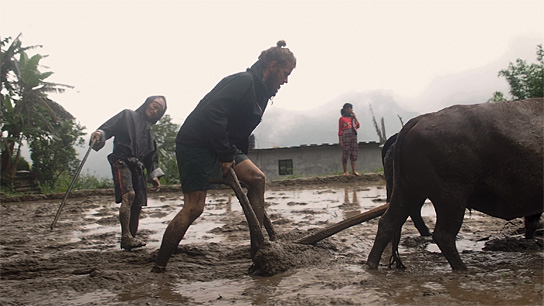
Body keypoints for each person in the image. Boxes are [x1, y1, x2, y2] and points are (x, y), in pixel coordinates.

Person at [152, 40, 296, 273]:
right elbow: (214, 114)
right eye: (285, 74)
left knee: (257, 179)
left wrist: (235, 160)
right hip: (196, 144)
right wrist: (225, 154)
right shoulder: (243, 81)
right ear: (272, 65)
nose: (286, 80)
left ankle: (258, 253)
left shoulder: (262, 92)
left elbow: (241, 131)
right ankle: (159, 266)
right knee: (194, 207)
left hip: (221, 142)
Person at [90, 95, 167, 250]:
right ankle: (125, 235)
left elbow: (151, 157)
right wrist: (99, 133)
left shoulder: (150, 133)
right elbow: (108, 128)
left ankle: (130, 238)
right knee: (129, 195)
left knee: (138, 203)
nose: (155, 109)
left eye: (159, 109)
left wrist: (154, 176)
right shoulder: (127, 115)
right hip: (122, 160)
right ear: (147, 103)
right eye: (154, 105)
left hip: (137, 166)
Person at [338, 103, 360, 176]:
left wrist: (355, 117)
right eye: (351, 109)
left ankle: (354, 170)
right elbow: (340, 130)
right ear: (346, 109)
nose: (352, 110)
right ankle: (345, 171)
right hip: (346, 136)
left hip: (353, 136)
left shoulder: (352, 118)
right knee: (346, 153)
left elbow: (358, 125)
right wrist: (340, 140)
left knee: (354, 152)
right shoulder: (342, 119)